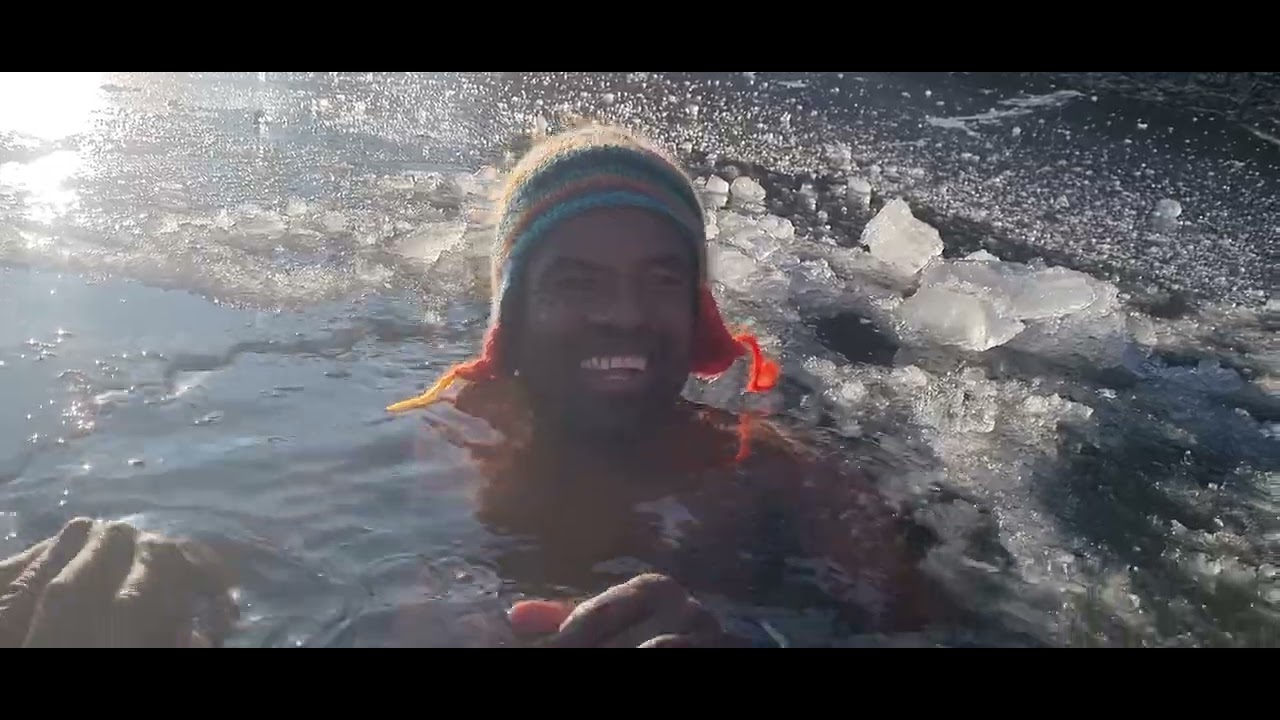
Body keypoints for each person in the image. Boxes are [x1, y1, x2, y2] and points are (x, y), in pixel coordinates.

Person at [0, 124, 950, 648]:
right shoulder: (436, 444)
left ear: (696, 309)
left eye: (661, 278)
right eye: (576, 280)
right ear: (513, 317)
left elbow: (939, 632)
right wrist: (170, 578)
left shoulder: (781, 473)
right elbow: (261, 551)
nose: (625, 314)